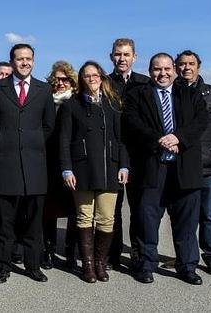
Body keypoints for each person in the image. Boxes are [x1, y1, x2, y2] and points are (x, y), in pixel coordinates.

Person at [124, 53, 207, 285]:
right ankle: (146, 264)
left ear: (174, 70)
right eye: (157, 69)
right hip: (152, 167)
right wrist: (159, 139)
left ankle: (187, 266)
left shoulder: (190, 94)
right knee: (147, 219)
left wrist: (178, 138)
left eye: (167, 69)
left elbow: (200, 122)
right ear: (150, 71)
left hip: (184, 169)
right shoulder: (137, 95)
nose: (163, 73)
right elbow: (132, 124)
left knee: (186, 222)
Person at [0, 44, 56, 284]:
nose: (24, 63)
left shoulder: (44, 89)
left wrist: (32, 142)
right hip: (5, 164)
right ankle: (3, 266)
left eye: (28, 59)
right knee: (5, 222)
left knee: (34, 222)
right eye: (20, 59)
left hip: (35, 165)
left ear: (34, 61)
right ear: (12, 61)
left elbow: (49, 125)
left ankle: (33, 265)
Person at [59, 61, 129, 283]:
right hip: (82, 169)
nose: (91, 79)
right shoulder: (72, 105)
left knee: (107, 218)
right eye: (86, 76)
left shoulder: (113, 104)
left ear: (101, 77)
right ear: (81, 79)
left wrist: (124, 165)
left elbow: (122, 139)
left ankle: (100, 262)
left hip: (110, 168)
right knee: (84, 216)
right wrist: (66, 169)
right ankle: (87, 265)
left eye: (95, 75)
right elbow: (63, 140)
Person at [176, 50, 211, 276]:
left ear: (199, 66)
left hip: (206, 165)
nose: (186, 68)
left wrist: (209, 149)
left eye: (191, 64)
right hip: (180, 164)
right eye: (182, 64)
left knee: (208, 213)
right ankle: (185, 256)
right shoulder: (172, 92)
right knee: (183, 214)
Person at [107, 38, 150, 269]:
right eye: (117, 54)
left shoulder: (145, 83)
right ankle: (112, 254)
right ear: (111, 57)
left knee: (139, 208)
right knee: (114, 209)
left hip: (138, 154)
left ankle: (137, 253)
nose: (121, 59)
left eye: (126, 54)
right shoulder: (104, 83)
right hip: (112, 152)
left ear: (135, 57)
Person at [41, 61, 79, 270]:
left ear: (72, 81)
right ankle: (48, 250)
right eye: (56, 79)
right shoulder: (46, 100)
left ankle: (71, 253)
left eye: (65, 79)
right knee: (48, 211)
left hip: (72, 164)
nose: (60, 83)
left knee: (73, 210)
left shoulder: (76, 101)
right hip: (48, 163)